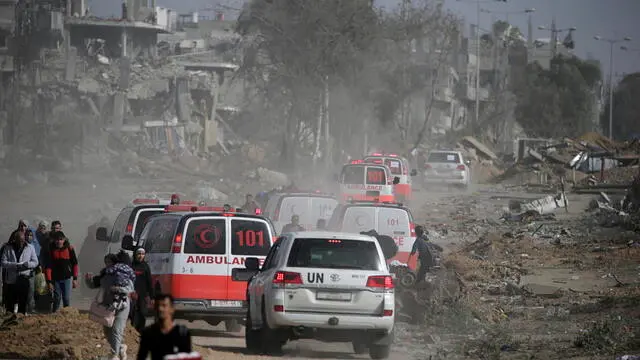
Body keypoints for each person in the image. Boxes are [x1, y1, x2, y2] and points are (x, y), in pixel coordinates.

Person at [86, 251, 135, 360]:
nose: (107, 264)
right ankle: (121, 347)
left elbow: (130, 289)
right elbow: (94, 284)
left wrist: (118, 289)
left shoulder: (126, 274)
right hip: (108, 306)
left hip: (122, 306)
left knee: (117, 330)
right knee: (107, 329)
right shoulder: (106, 274)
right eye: (106, 262)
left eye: (109, 262)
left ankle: (114, 355)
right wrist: (88, 280)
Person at [137, 293, 192, 360]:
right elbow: (141, 357)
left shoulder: (182, 333)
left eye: (164, 305)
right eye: (158, 306)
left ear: (172, 309)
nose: (160, 309)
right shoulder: (148, 333)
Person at [0, 231, 39, 314]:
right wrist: (15, 265)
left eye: (22, 240)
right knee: (10, 303)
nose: (21, 243)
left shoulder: (30, 247)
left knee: (22, 303)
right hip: (11, 280)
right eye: (19, 241)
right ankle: (9, 321)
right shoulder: (8, 248)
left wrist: (27, 264)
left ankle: (20, 322)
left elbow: (35, 262)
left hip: (24, 278)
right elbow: (3, 262)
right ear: (15, 240)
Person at [45, 231, 79, 312]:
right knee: (57, 298)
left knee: (66, 298)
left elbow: (75, 264)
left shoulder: (69, 249)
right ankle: (54, 316)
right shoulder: (51, 250)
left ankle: (66, 316)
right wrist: (49, 281)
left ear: (64, 240)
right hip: (56, 279)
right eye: (57, 240)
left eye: (61, 239)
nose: (59, 241)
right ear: (54, 240)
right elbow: (48, 267)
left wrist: (75, 278)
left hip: (67, 278)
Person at [130, 247, 154, 332]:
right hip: (131, 294)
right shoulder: (131, 266)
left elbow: (149, 282)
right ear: (135, 255)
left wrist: (152, 297)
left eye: (142, 254)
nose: (140, 256)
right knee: (131, 312)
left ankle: (140, 331)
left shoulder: (146, 266)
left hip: (142, 294)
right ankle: (131, 329)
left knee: (143, 313)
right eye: (139, 254)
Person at [24, 229, 40, 313]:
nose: (29, 237)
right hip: (20, 272)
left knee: (31, 290)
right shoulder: (20, 245)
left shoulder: (33, 246)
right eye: (27, 235)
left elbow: (36, 260)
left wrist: (28, 265)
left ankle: (30, 308)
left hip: (31, 271)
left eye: (30, 235)